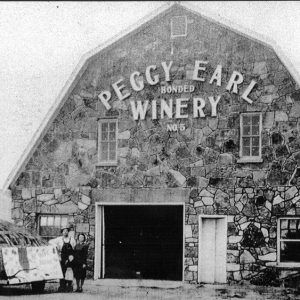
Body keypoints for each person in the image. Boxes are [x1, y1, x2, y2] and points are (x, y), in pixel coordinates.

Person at [49, 226, 76, 292]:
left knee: (69, 272)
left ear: (68, 232)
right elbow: (50, 242)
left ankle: (69, 286)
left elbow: (74, 249)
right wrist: (56, 247)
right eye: (64, 231)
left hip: (70, 257)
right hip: (62, 257)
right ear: (62, 232)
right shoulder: (59, 239)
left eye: (66, 231)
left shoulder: (72, 239)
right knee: (62, 272)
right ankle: (62, 286)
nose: (65, 232)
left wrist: (71, 257)